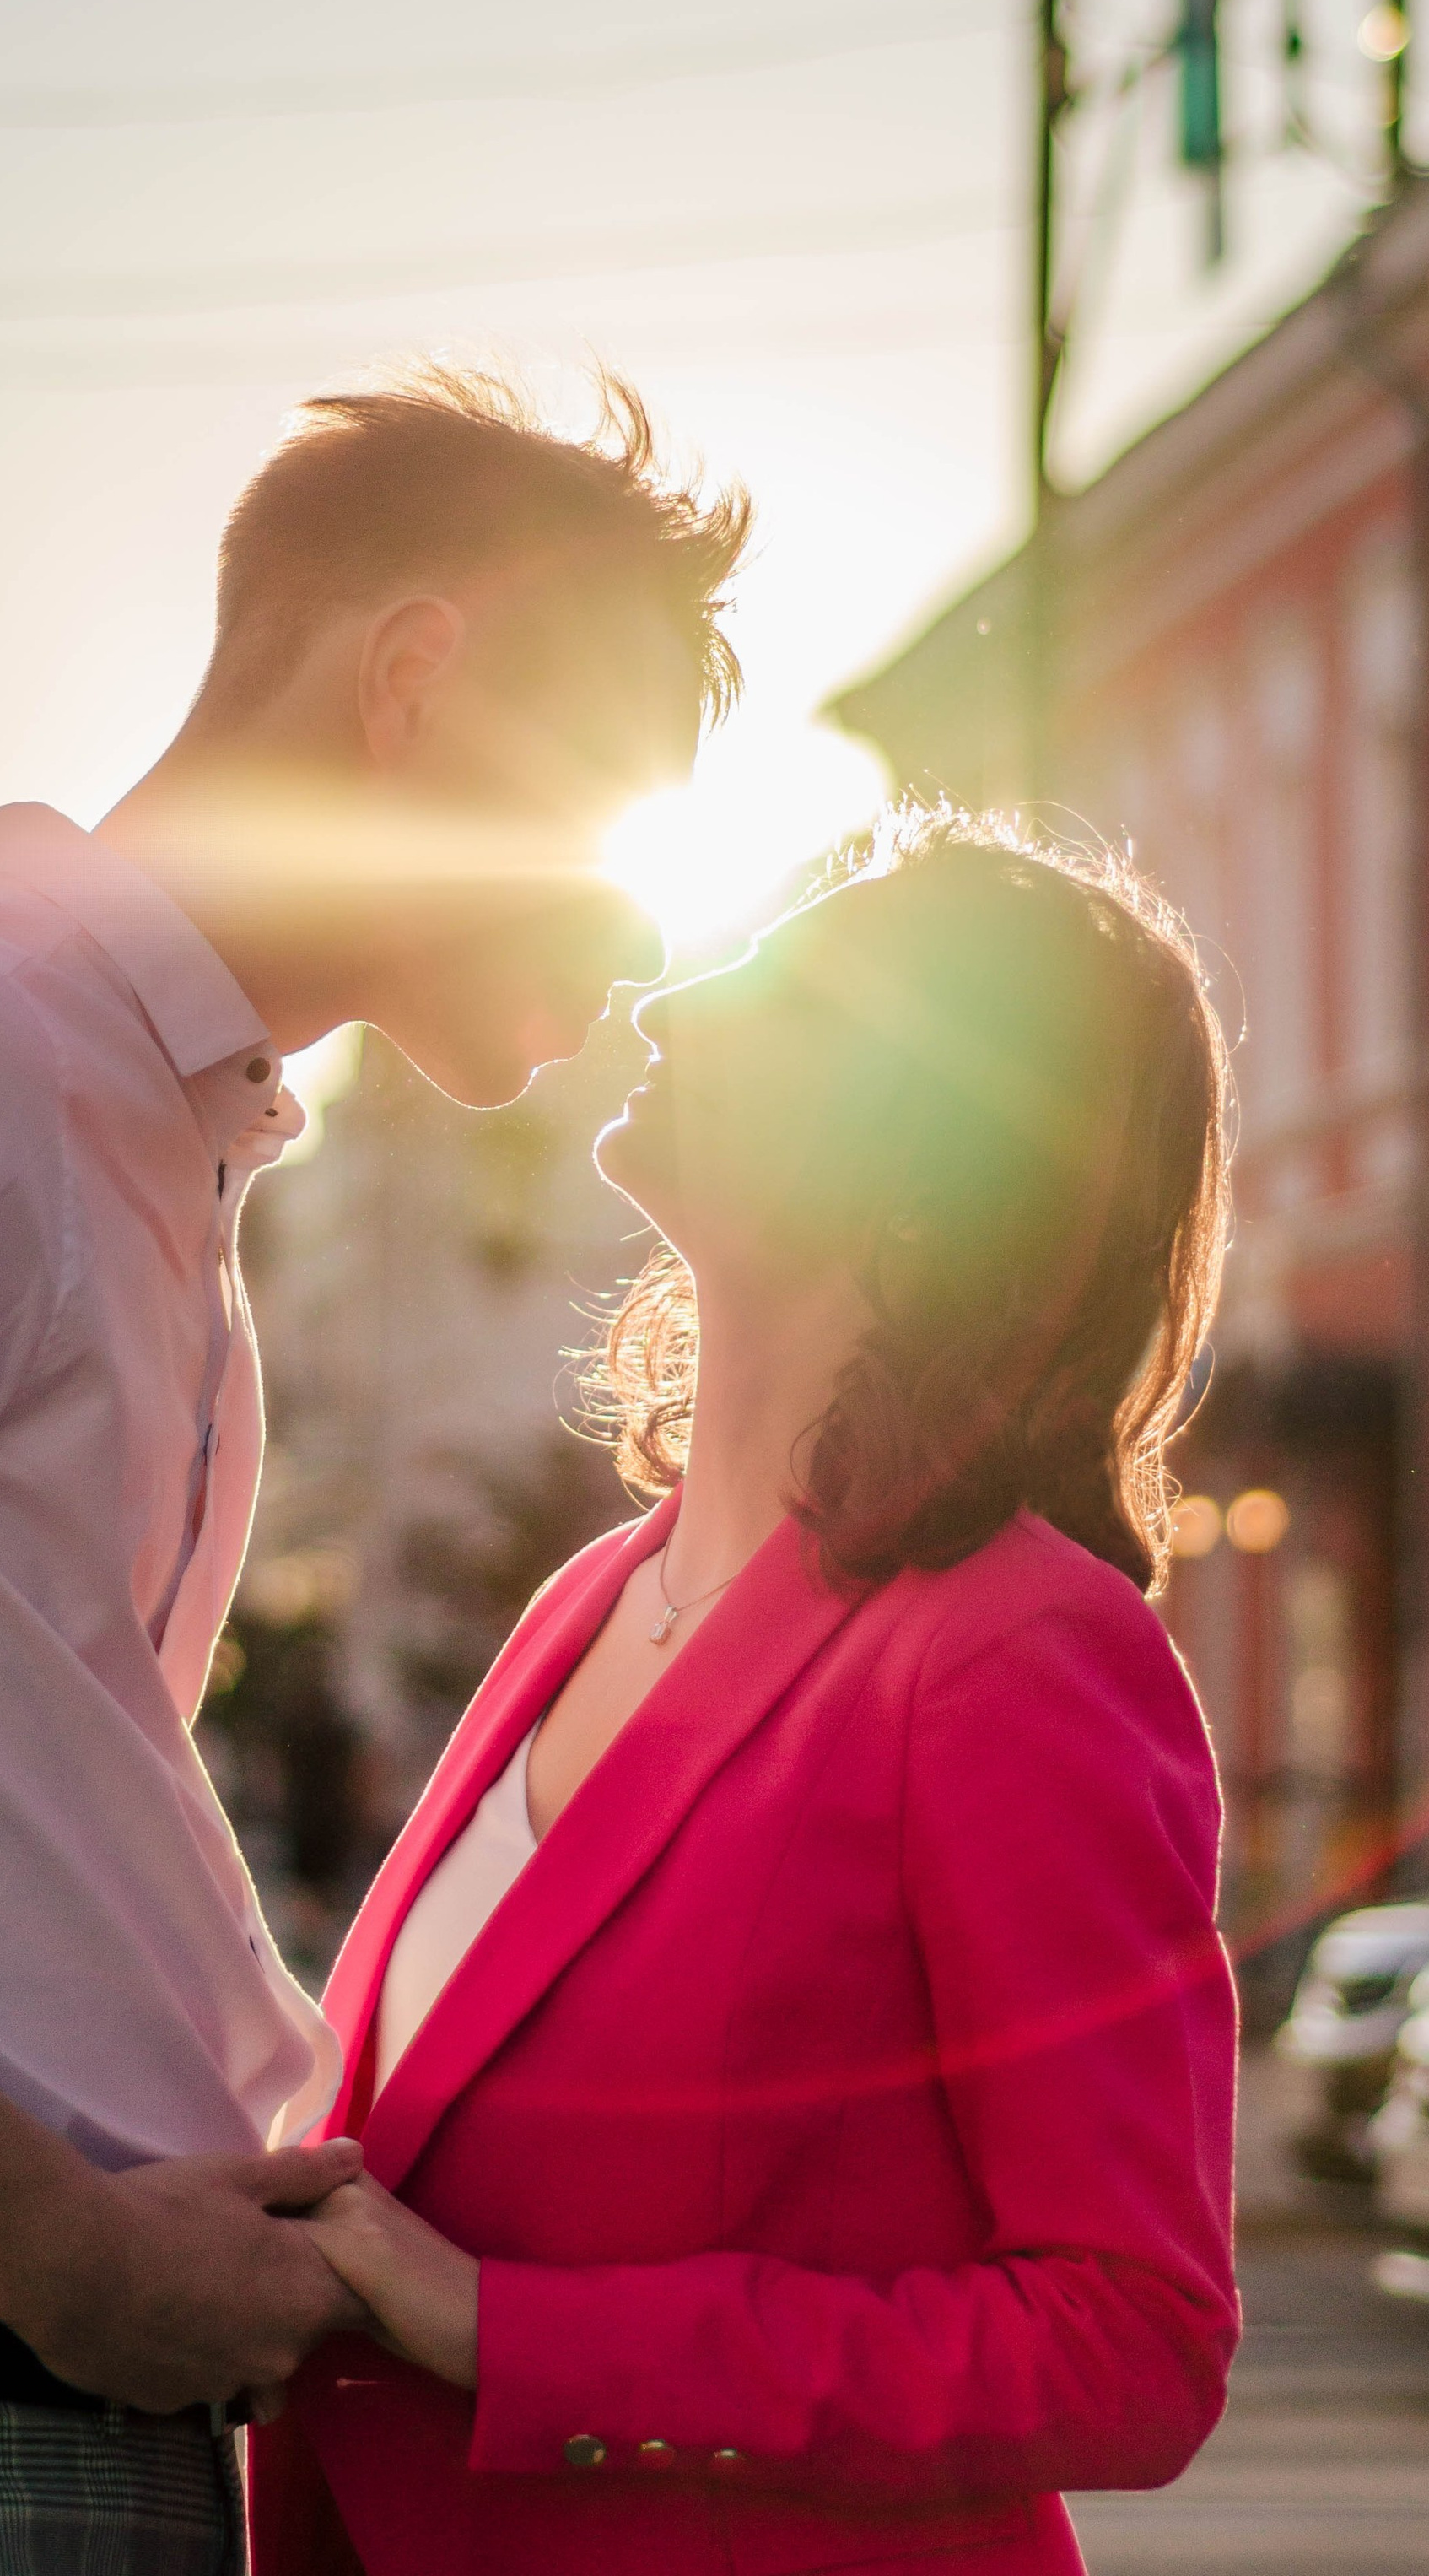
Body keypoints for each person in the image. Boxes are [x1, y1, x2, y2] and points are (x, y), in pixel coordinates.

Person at [0, 370, 749, 2574]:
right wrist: (60, 2254)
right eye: (617, 807)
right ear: (412, 678)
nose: (645, 927)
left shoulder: (154, 1153)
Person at [254, 809, 1242, 2576]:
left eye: (781, 1002)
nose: (669, 993)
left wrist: (506, 2332)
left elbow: (1130, 2343)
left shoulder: (1013, 1647)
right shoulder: (583, 1602)